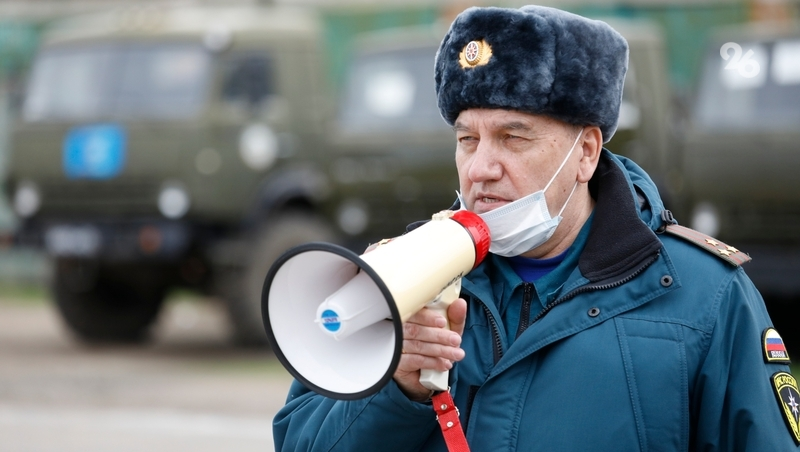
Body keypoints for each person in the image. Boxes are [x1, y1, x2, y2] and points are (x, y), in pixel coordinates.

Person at [273, 5, 800, 451]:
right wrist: (399, 391)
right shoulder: (398, 274)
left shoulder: (705, 296)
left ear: (586, 153)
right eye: (467, 139)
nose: (481, 168)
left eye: (513, 138)